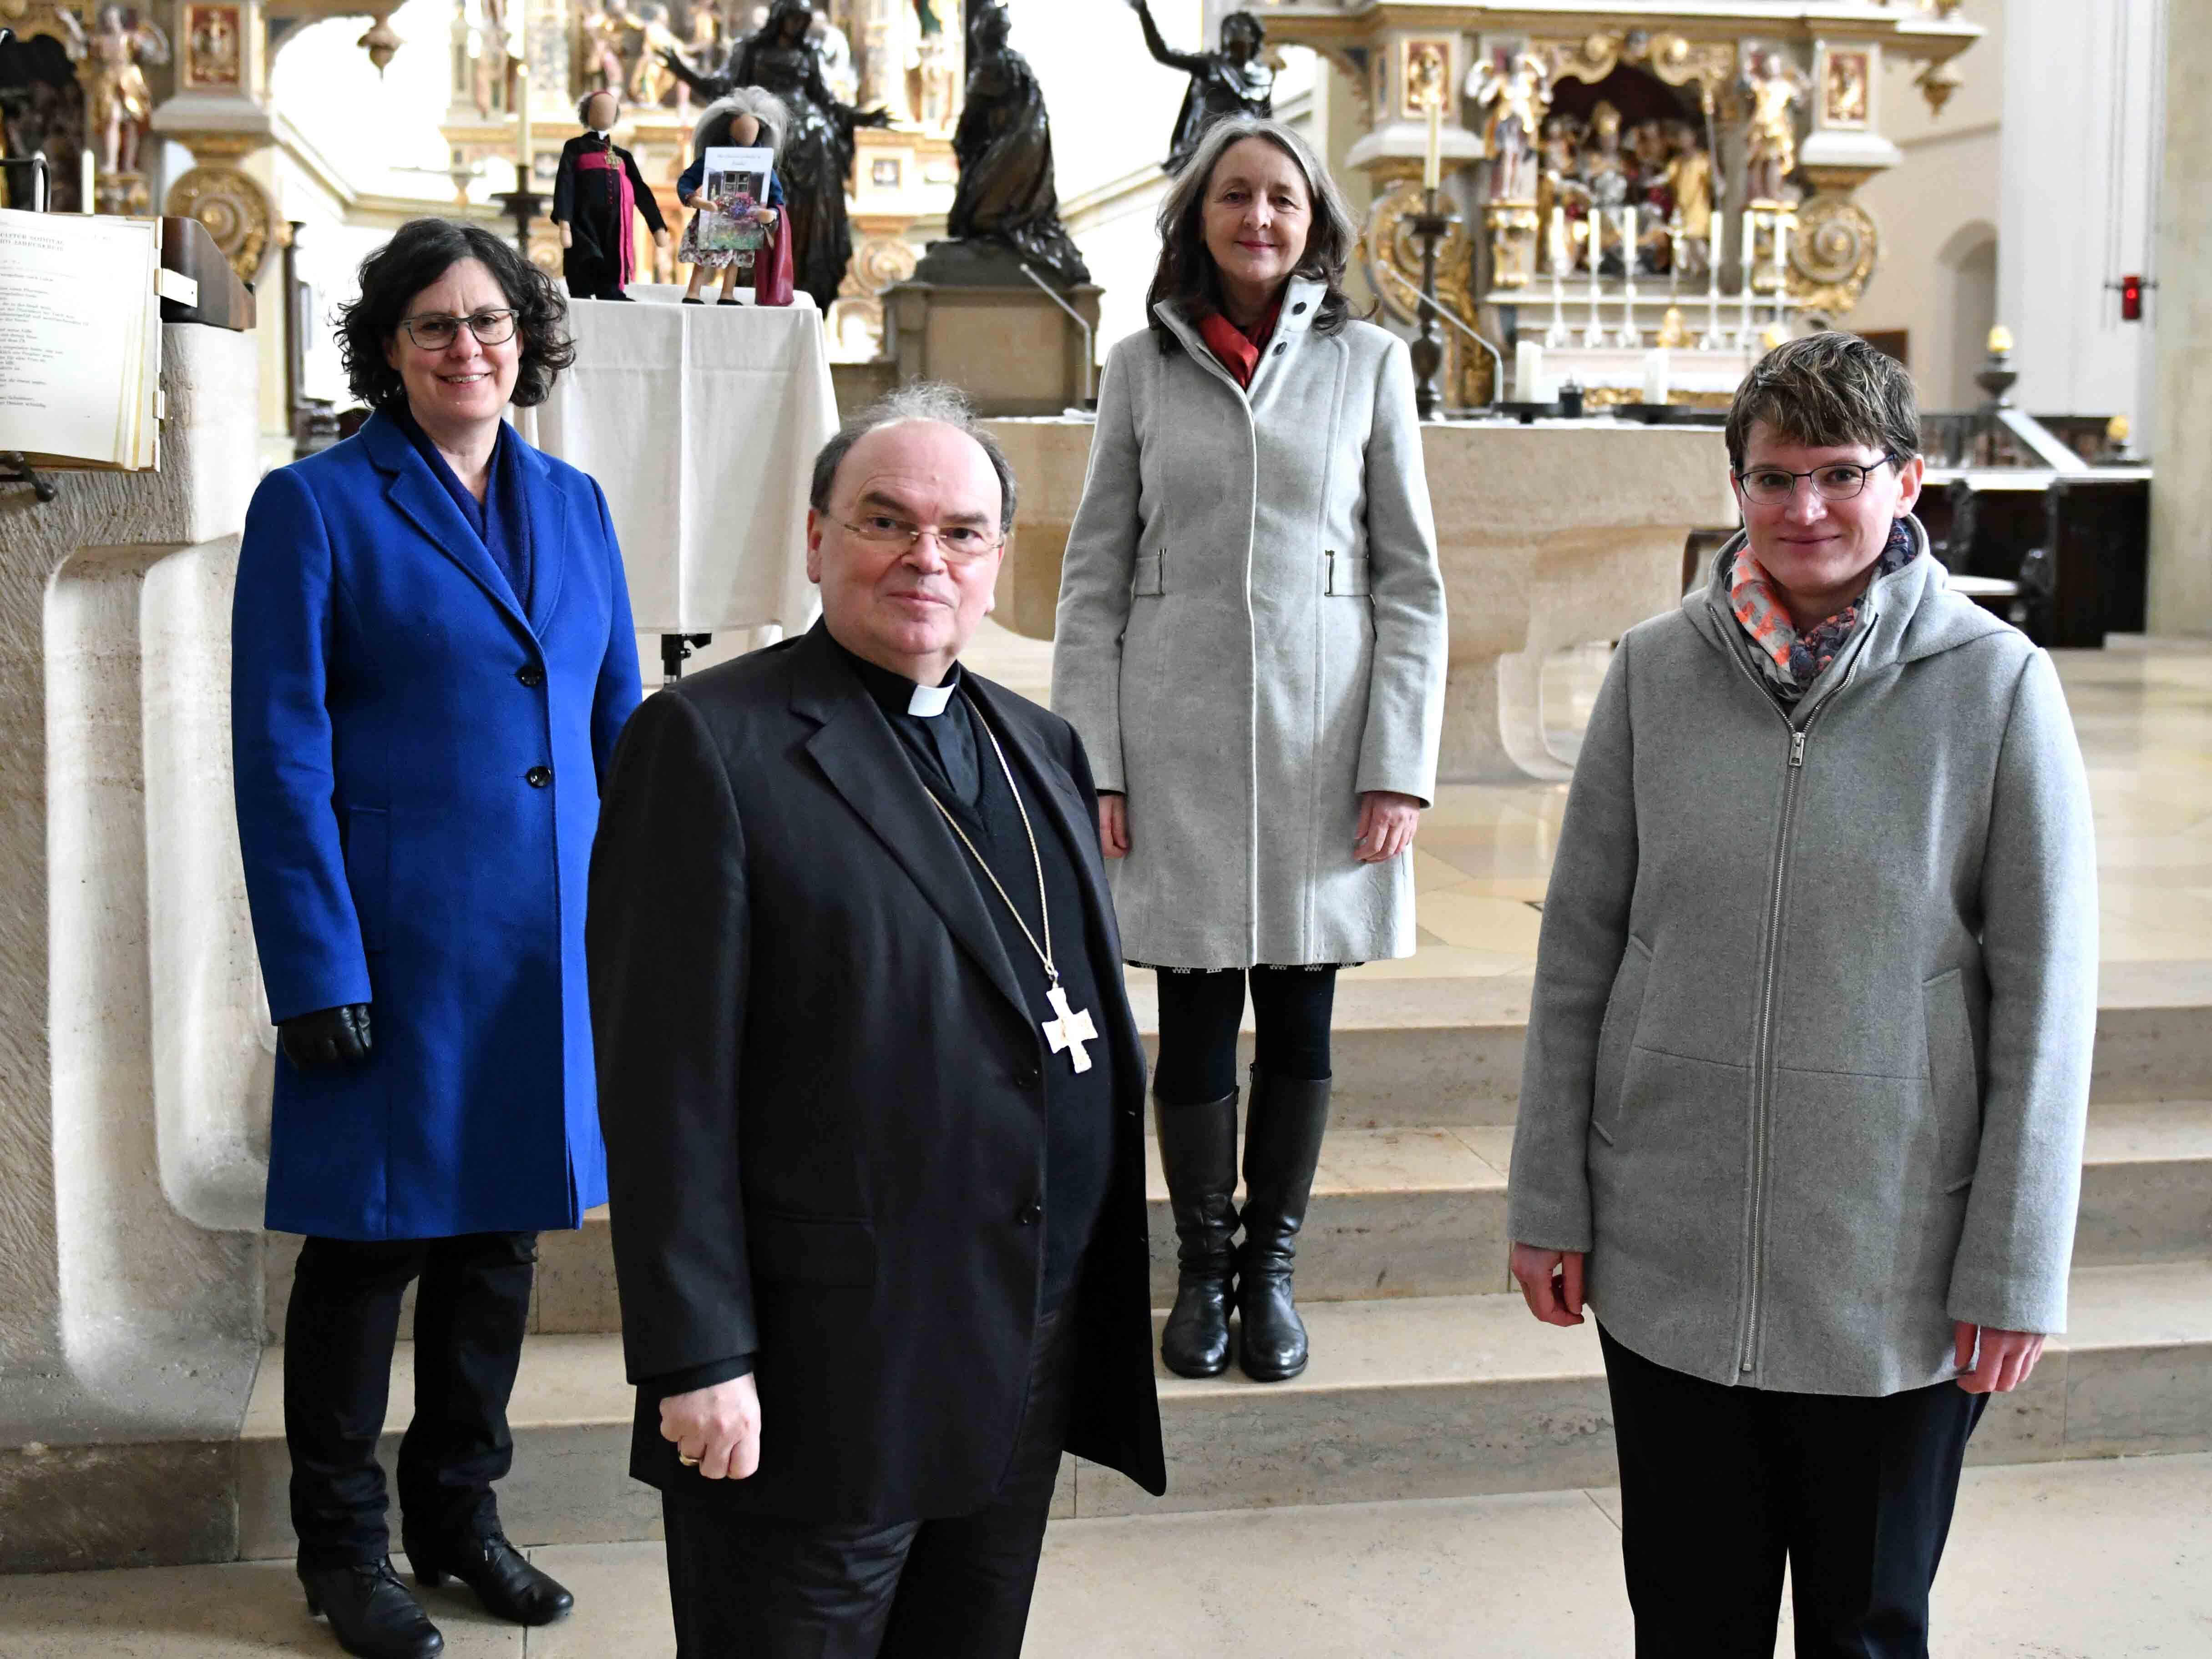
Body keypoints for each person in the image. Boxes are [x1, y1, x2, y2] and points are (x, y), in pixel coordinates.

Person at [1506, 331, 2097, 1657]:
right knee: (1689, 1622)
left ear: (1909, 482)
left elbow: (2046, 999)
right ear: (1736, 489)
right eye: (1774, 479)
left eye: (1840, 475)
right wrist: (1551, 1195)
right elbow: (1581, 957)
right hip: (1673, 1252)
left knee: (1866, 1630)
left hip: (1890, 1273)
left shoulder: (1998, 688)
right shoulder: (1653, 674)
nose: (1807, 511)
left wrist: (2015, 1263)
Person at [588, 384, 1166, 1658]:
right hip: (821, 1369)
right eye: (885, 520)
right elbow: (660, 1083)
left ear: (997, 561)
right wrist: (696, 1353)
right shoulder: (708, 743)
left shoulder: (1042, 745)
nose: (926, 557)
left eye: (961, 531)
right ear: (813, 538)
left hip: (1016, 1346)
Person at [231, 218, 642, 1659]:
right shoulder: (317, 507)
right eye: (435, 326)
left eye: (490, 322)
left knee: (501, 1246)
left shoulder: (580, 504)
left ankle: (460, 1517)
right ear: (389, 350)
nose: (468, 347)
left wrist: (644, 926)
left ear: (526, 337)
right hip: (394, 951)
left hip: (545, 953)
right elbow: (277, 755)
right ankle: (343, 1551)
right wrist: (315, 966)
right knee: (365, 1254)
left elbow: (619, 731)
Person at [1052, 117, 1447, 1386]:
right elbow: (1091, 579)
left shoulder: (1369, 362)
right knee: (1196, 1011)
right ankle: (1201, 1269)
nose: (1258, 218)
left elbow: (1411, 581)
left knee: (1301, 1010)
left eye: (1281, 197)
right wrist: (1093, 759)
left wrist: (1397, 759)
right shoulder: (1138, 366)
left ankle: (1270, 1265)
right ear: (1197, 218)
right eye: (1234, 196)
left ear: (1312, 220)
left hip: (1324, 735)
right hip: (1173, 736)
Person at [551, 89, 670, 302]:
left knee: (612, 256)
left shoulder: (622, 155)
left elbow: (641, 191)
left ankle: (612, 291)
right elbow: (565, 183)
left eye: (610, 110)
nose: (605, 113)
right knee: (586, 256)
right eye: (599, 109)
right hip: (583, 220)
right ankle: (583, 292)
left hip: (616, 223)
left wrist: (657, 226)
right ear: (587, 113)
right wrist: (564, 223)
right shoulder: (575, 148)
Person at [674, 90, 787, 304]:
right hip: (714, 214)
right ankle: (694, 291)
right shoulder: (714, 157)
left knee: (735, 259)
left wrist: (771, 214)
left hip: (744, 219)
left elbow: (776, 197)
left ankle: (727, 293)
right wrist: (694, 199)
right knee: (704, 254)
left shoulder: (763, 164)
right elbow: (687, 180)